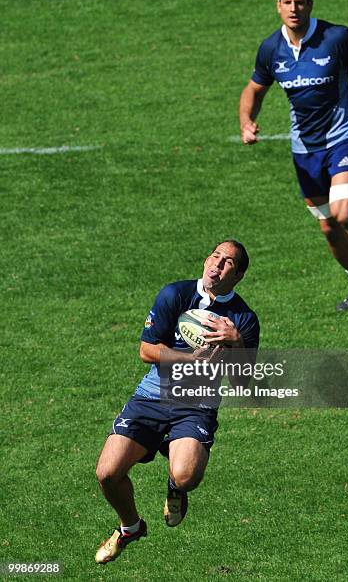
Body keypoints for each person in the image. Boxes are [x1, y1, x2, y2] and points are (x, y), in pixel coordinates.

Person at [239, 0, 348, 317]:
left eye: (300, 2)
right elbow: (254, 89)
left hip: (342, 136)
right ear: (278, 6)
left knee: (345, 213)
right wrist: (246, 121)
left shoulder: (338, 38)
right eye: (287, 3)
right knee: (329, 225)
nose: (294, 8)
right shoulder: (271, 49)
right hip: (305, 150)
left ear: (310, 4)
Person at [95, 240, 260, 564]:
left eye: (228, 263)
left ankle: (175, 485)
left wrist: (237, 343)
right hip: (151, 397)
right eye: (215, 256)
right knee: (107, 474)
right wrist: (189, 358)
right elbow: (146, 351)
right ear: (205, 259)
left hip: (196, 406)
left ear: (238, 275)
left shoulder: (244, 319)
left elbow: (244, 381)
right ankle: (130, 527)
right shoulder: (175, 294)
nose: (217, 265)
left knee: (187, 476)